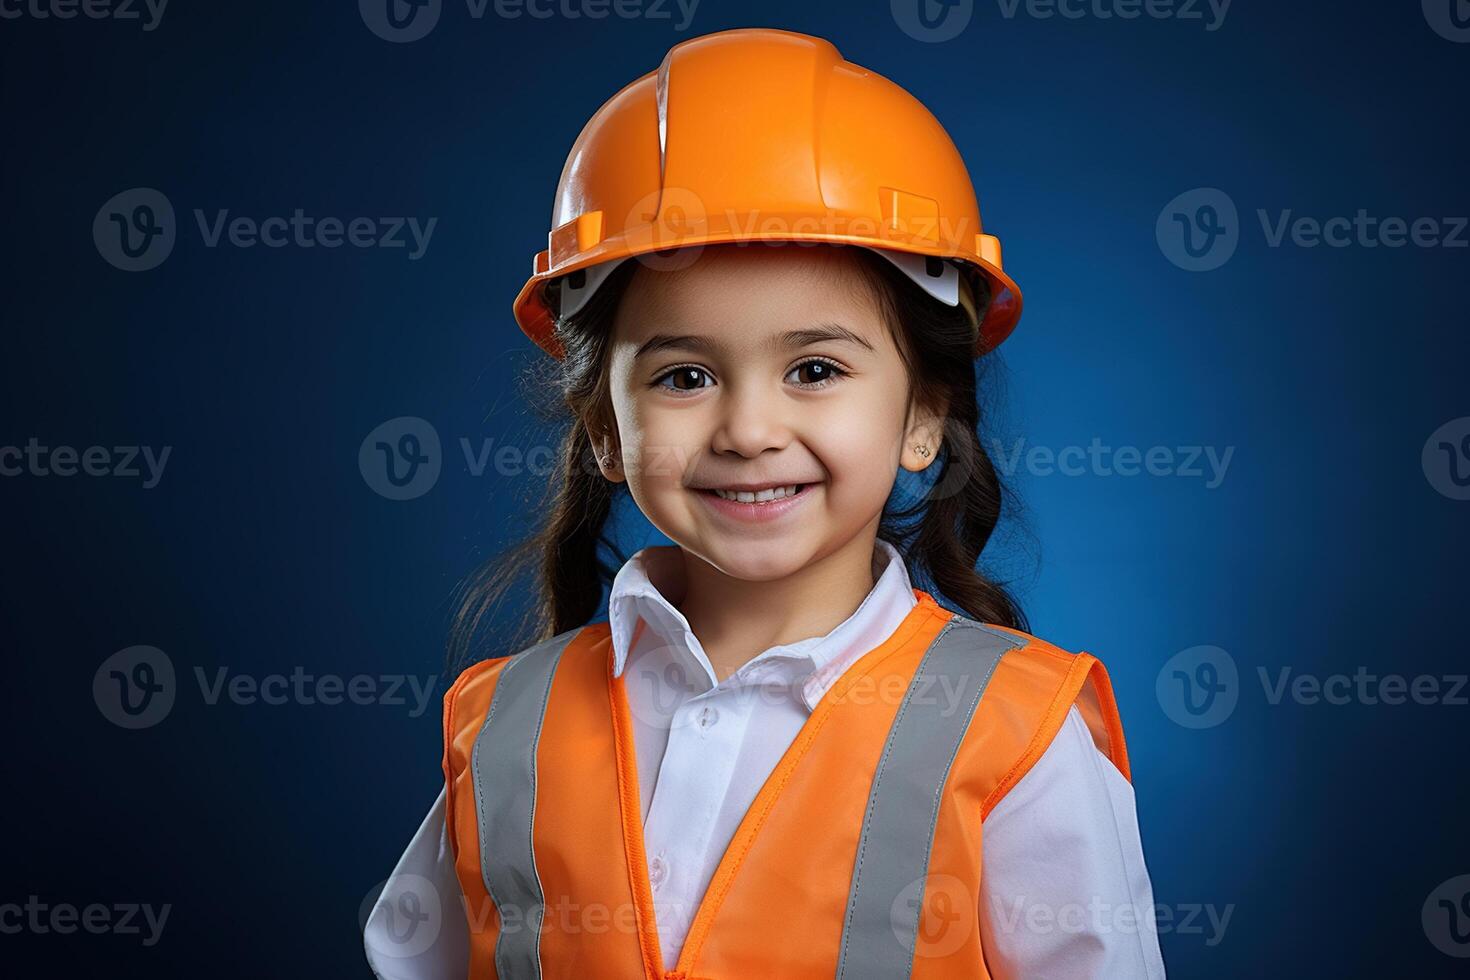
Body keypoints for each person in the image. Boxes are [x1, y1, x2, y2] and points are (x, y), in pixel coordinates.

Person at [365, 27, 1167, 980]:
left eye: (815, 369)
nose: (748, 429)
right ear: (604, 430)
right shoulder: (506, 729)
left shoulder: (1016, 737)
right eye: (685, 375)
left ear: (922, 418)